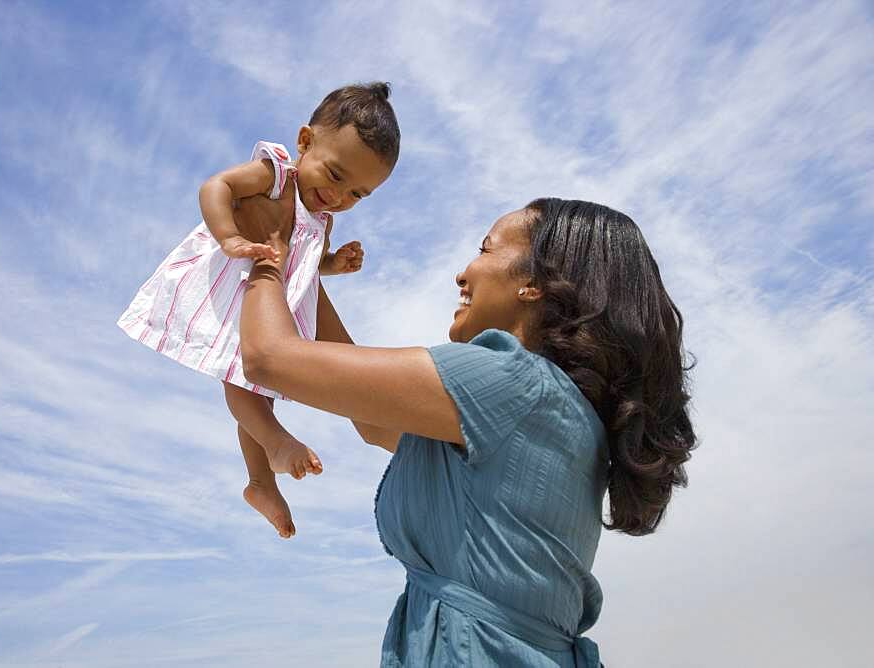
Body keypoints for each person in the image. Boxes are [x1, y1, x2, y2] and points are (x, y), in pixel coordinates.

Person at [235, 191, 697, 667]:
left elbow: (267, 357)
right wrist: (304, 269)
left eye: (485, 249)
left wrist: (268, 252)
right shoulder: (555, 409)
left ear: (534, 283)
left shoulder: (511, 383)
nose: (463, 272)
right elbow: (373, 422)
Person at [117, 82, 400, 538]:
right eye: (335, 175)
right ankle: (273, 442)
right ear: (305, 142)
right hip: (236, 282)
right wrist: (229, 236)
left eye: (358, 194)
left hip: (272, 301)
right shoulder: (277, 175)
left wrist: (333, 264)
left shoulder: (322, 218)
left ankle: (259, 482)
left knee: (259, 383)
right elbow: (217, 185)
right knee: (247, 376)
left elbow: (303, 267)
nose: (340, 196)